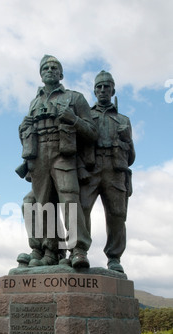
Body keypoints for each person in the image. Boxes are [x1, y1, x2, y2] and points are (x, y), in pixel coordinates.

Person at [17, 55, 97, 269]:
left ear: (61, 74)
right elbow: (26, 132)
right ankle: (50, 250)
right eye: (45, 68)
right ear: (41, 74)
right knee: (43, 204)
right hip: (39, 155)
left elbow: (92, 133)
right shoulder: (35, 102)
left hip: (63, 153)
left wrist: (73, 119)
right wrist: (23, 128)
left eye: (54, 68)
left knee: (69, 199)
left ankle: (78, 249)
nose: (50, 70)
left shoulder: (75, 98)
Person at [79, 71, 136, 273]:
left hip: (115, 170)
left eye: (106, 86)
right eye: (99, 87)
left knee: (117, 215)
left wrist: (126, 138)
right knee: (81, 209)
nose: (103, 90)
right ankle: (80, 251)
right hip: (91, 169)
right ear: (94, 91)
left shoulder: (123, 120)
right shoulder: (86, 115)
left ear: (113, 90)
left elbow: (132, 157)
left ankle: (114, 258)